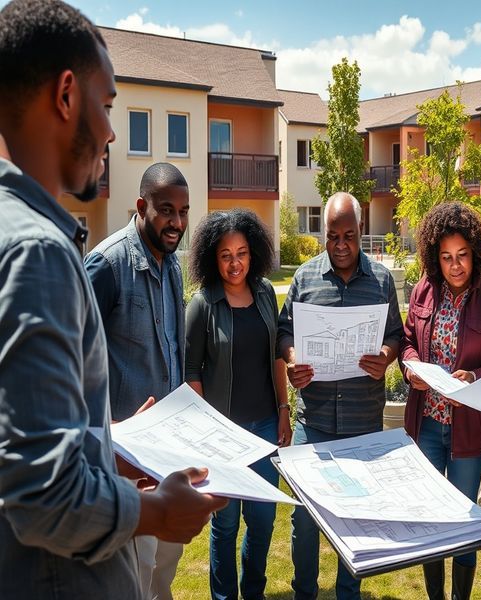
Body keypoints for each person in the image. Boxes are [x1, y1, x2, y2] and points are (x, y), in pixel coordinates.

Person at [0, 2, 227, 599]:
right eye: (107, 104)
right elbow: (41, 493)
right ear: (66, 95)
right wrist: (154, 513)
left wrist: (108, 447)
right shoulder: (39, 255)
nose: (110, 131)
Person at [277, 192, 403, 600]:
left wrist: (386, 356)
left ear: (361, 232)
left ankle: (349, 594)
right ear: (324, 235)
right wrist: (293, 358)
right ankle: (305, 594)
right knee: (305, 521)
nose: (341, 245)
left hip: (363, 424)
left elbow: (395, 334)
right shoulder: (305, 278)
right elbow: (284, 331)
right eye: (333, 236)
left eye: (349, 235)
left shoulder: (381, 281)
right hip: (312, 423)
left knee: (355, 521)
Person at [85, 162, 190, 599]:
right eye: (167, 210)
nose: (178, 223)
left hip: (169, 452)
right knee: (135, 576)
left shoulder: (173, 267)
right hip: (125, 464)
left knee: (164, 569)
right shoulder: (106, 266)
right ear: (142, 206)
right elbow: (73, 362)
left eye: (184, 211)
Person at [401, 201, 481, 600]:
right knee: (431, 517)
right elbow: (408, 342)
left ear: (476, 253)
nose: (456, 265)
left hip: (467, 431)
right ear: (435, 257)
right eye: (446, 257)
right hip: (426, 424)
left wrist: (475, 377)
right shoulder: (422, 292)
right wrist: (410, 366)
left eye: (462, 255)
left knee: (464, 521)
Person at [184, 208, 290, 600]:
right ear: (213, 257)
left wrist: (284, 410)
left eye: (242, 253)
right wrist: (204, 433)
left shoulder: (264, 294)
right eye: (226, 254)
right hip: (221, 437)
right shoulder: (202, 304)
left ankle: (254, 592)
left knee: (262, 522)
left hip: (264, 430)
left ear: (254, 253)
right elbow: (191, 371)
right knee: (225, 525)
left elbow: (277, 358)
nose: (235, 263)